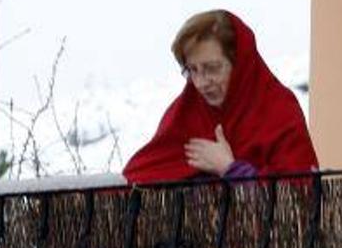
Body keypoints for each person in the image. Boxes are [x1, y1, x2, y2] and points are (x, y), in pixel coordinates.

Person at [123, 10, 319, 183]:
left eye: (212, 68)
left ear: (240, 64)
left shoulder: (278, 111)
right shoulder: (185, 115)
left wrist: (230, 169)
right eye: (192, 70)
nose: (201, 82)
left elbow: (299, 195)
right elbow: (137, 179)